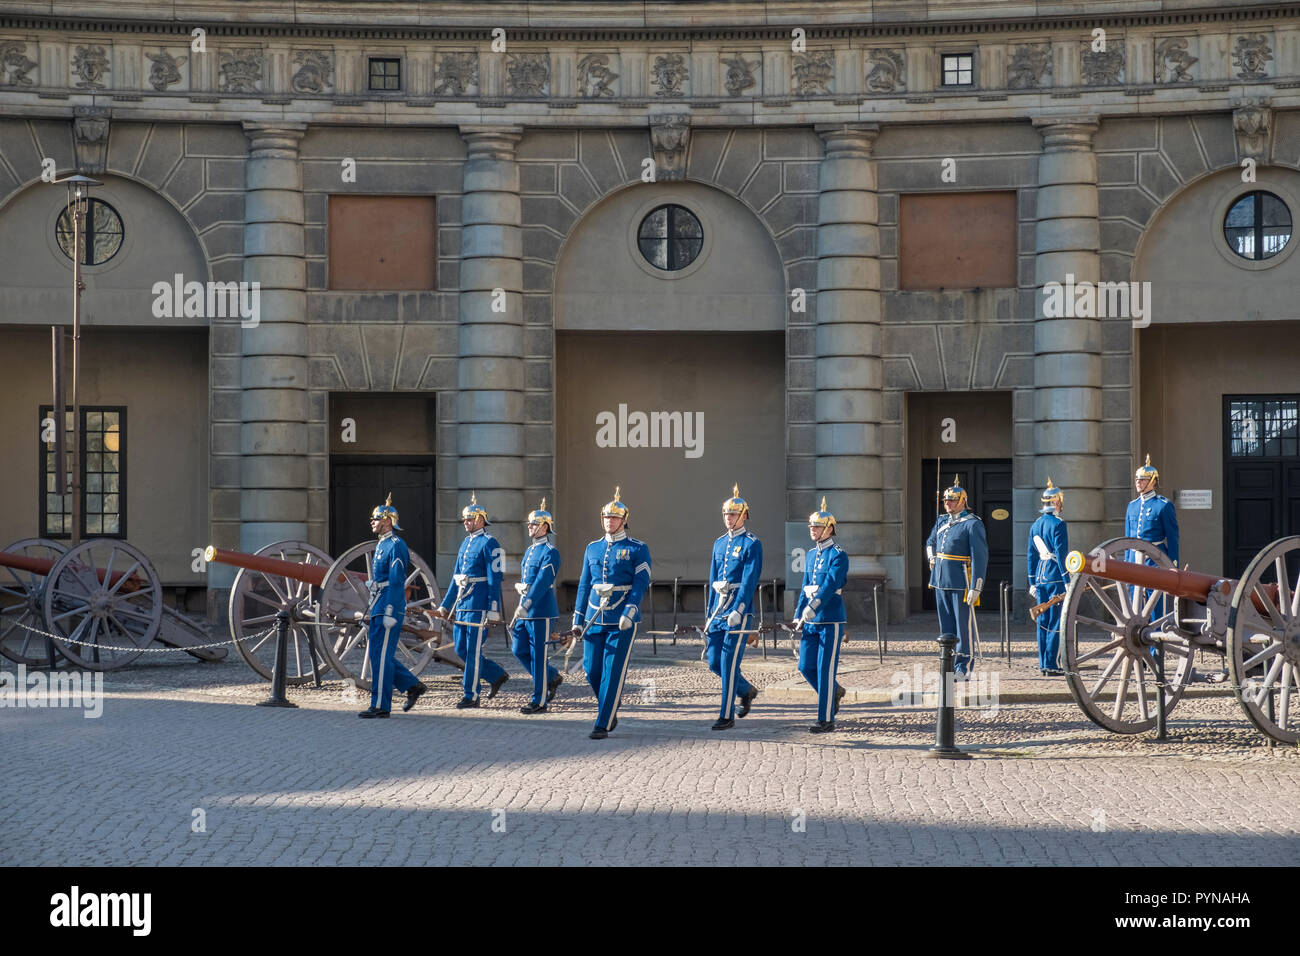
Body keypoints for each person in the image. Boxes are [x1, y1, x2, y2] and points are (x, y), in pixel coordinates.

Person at [567, 487, 652, 740]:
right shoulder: (592, 548)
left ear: (624, 520)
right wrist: (577, 620)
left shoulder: (637, 548)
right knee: (592, 670)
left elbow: (641, 582)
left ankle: (602, 722)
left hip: (621, 619)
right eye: (606, 517)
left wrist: (631, 609)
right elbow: (584, 585)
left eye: (614, 518)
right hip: (595, 617)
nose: (609, 522)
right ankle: (610, 706)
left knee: (612, 670)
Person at [435, 492, 509, 707]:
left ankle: (471, 695)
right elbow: (455, 578)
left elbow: (495, 578)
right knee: (461, 650)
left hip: (479, 604)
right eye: (464, 519)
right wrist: (446, 605)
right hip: (463, 603)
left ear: (479, 519)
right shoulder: (465, 543)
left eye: (468, 519)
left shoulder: (490, 542)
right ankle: (495, 674)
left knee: (474, 652)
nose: (465, 523)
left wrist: (493, 609)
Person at [358, 494, 427, 718]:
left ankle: (380, 705)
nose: (372, 522)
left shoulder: (396, 545)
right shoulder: (382, 544)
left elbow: (397, 581)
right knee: (378, 656)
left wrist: (389, 610)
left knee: (382, 657)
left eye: (376, 519)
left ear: (387, 521)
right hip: (379, 602)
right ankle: (411, 685)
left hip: (390, 605)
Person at [704, 484, 763, 731]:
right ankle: (745, 689)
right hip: (719, 610)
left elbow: (750, 580)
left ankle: (726, 714)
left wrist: (739, 608)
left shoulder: (752, 543)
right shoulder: (719, 543)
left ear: (744, 516)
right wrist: (709, 615)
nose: (729, 518)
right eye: (726, 514)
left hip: (738, 610)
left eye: (733, 514)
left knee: (728, 662)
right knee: (714, 661)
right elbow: (713, 580)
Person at [791, 497, 849, 734]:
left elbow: (830, 584)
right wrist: (798, 614)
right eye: (811, 527)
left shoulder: (838, 554)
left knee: (825, 669)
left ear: (830, 528)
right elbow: (806, 585)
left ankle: (825, 719)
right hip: (811, 621)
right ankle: (834, 692)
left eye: (817, 527)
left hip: (830, 618)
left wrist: (813, 605)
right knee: (805, 666)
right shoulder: (812, 555)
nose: (813, 531)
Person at [926, 476, 988, 679]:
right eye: (945, 500)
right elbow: (930, 541)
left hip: (961, 581)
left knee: (963, 626)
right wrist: (931, 556)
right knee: (946, 626)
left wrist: (975, 586)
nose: (947, 504)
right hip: (940, 580)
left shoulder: (972, 524)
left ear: (962, 501)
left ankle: (963, 666)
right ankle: (948, 664)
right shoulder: (941, 521)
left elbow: (979, 557)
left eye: (952, 500)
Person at [510, 498, 564, 714]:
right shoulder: (530, 551)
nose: (530, 527)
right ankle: (551, 677)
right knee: (518, 649)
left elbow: (542, 582)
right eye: (530, 524)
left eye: (533, 524)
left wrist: (528, 601)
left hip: (540, 611)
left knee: (538, 656)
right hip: (525, 608)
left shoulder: (550, 552)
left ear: (544, 527)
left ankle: (539, 700)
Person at [1028, 478, 1069, 676]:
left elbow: (1030, 554)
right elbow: (1061, 556)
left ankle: (1043, 662)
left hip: (1040, 576)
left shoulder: (1035, 525)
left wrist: (1031, 581)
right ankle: (1052, 664)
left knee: (1042, 620)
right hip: (1055, 576)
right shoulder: (1058, 524)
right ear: (1057, 502)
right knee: (1055, 622)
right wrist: (1067, 580)